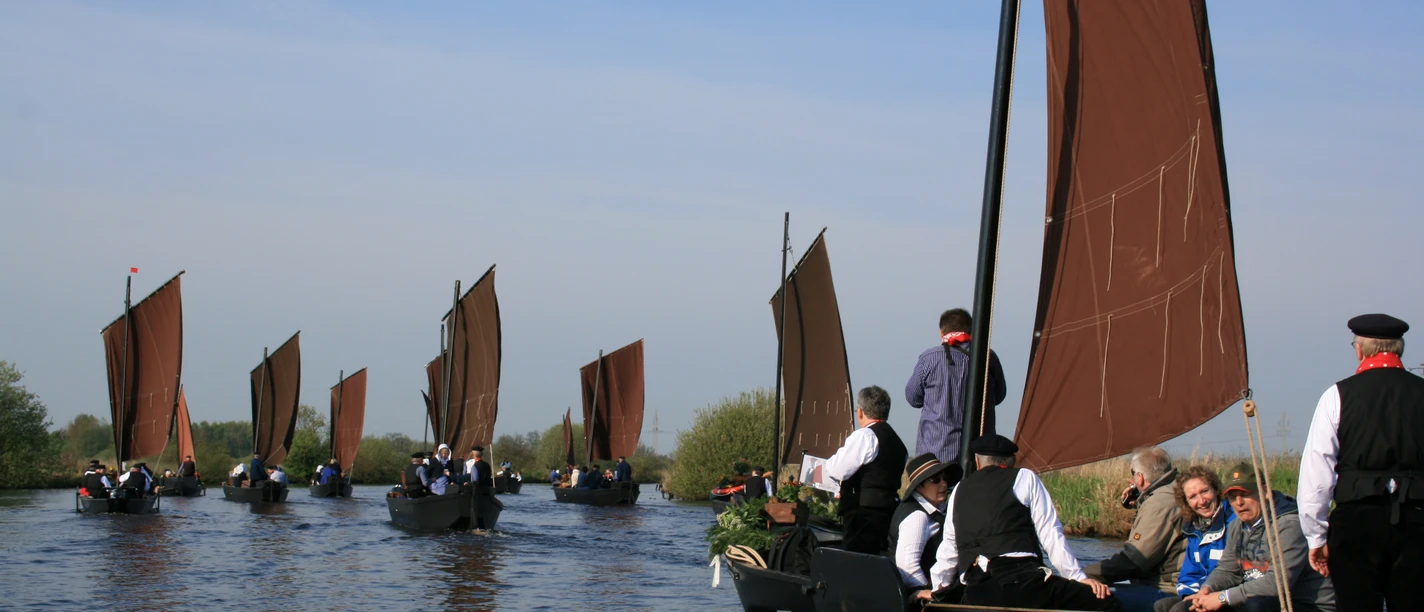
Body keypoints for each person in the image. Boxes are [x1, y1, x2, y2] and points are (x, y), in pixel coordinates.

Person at [1298, 313, 1422, 612]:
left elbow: (1318, 471)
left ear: (1359, 349)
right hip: (1417, 519)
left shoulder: (1337, 396)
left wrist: (1316, 536)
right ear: (1399, 348)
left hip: (1357, 522)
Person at [926, 435, 1117, 611]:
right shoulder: (1025, 477)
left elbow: (949, 549)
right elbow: (1050, 534)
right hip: (1024, 583)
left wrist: (939, 589)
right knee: (1107, 603)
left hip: (978, 589)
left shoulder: (960, 489)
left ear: (978, 462)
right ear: (1012, 461)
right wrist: (1078, 577)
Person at [1182, 463, 1334, 612]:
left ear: (1265, 491)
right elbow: (1227, 569)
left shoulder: (1288, 525)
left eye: (1245, 494)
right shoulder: (1237, 526)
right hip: (1258, 598)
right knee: (1184, 608)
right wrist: (1206, 590)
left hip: (1305, 604)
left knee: (1256, 606)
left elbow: (1278, 583)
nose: (1239, 502)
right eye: (1233, 498)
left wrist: (1223, 597)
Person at [1085, 447, 1186, 611]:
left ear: (1139, 478)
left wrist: (1084, 575)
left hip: (1166, 590)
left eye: (1133, 473)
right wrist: (1141, 497)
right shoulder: (1176, 488)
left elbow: (1134, 561)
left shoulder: (1159, 504)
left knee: (1085, 596)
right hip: (1172, 586)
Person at [905, 309, 1008, 464]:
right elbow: (999, 396)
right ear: (971, 330)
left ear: (941, 332)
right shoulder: (988, 357)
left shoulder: (929, 359)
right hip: (979, 453)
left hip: (936, 453)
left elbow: (912, 398)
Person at [824, 385, 909, 554]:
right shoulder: (899, 443)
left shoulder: (865, 436)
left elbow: (836, 469)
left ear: (861, 411)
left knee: (858, 564)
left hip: (863, 514)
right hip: (888, 510)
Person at [1152, 466, 1235, 612]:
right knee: (1161, 606)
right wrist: (1191, 595)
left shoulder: (1233, 521)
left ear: (1215, 489)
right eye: (1193, 497)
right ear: (1186, 502)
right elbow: (1189, 573)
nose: (1202, 501)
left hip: (1224, 595)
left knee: (1179, 610)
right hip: (1201, 594)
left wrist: (1205, 595)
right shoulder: (1193, 529)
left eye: (1204, 491)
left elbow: (1232, 571)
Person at [892, 453, 963, 591]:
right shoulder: (917, 516)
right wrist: (929, 594)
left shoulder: (933, 510)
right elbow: (908, 568)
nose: (943, 484)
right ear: (919, 486)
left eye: (945, 478)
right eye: (935, 480)